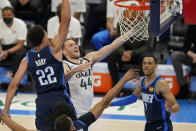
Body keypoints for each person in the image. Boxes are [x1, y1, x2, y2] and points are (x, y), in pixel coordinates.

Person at [1, 0, 72, 130]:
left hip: (42, 102)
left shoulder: (27, 59)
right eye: (46, 34)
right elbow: (66, 20)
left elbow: (13, 85)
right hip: (59, 98)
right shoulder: (53, 48)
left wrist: (6, 111)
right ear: (44, 39)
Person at [0, 69, 140, 131]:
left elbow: (21, 130)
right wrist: (123, 80)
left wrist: (3, 116)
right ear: (73, 127)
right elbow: (103, 102)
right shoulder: (78, 124)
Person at [110, 55, 180, 131]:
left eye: (150, 63)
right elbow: (132, 98)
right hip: (149, 125)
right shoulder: (141, 81)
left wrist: (170, 108)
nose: (146, 66)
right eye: (144, 63)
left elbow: (176, 107)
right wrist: (111, 104)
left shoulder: (161, 83)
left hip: (162, 126)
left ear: (156, 66)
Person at [0, 6, 27, 76]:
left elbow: (20, 44)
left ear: (13, 15)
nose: (6, 17)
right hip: (4, 46)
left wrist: (7, 52)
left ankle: (15, 77)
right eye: (4, 15)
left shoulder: (20, 24)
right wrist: (1, 52)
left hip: (17, 46)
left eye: (9, 15)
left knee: (18, 55)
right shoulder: (0, 23)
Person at [171, 25, 196, 99]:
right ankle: (183, 88)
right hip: (194, 57)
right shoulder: (192, 27)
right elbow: (185, 47)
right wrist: (194, 55)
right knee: (175, 56)